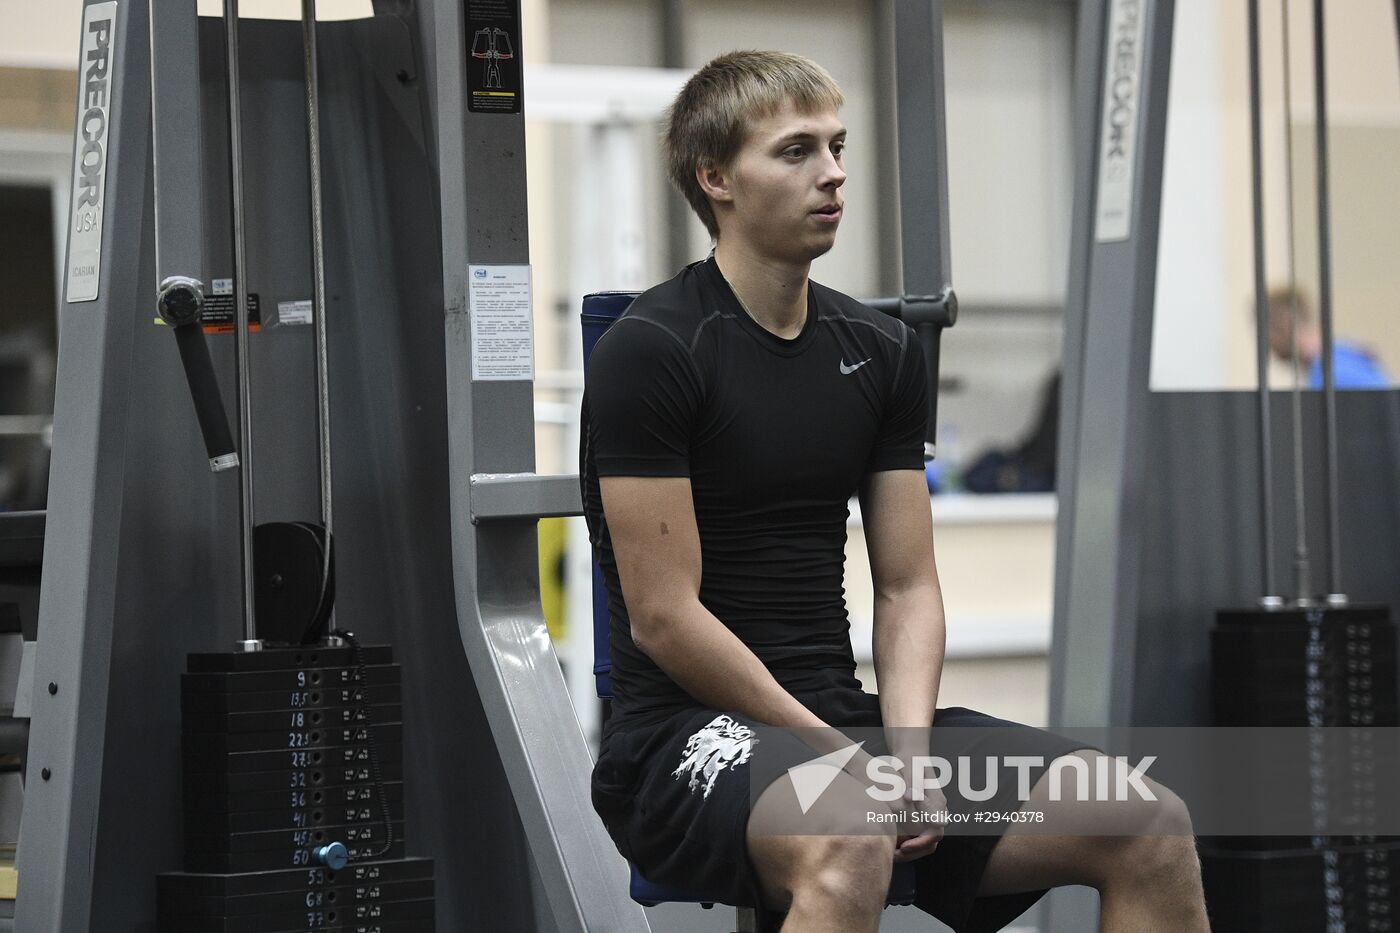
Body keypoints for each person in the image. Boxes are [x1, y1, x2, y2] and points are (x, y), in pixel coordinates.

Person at [582, 50, 1209, 932]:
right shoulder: (653, 350)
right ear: (715, 177)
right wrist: (844, 759)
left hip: (845, 723)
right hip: (682, 739)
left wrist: (907, 755)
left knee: (1147, 821)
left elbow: (908, 584)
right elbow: (663, 616)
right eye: (797, 151)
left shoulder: (877, 350)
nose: (834, 173)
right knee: (852, 830)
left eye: (837, 147)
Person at [1266, 286, 1390, 389]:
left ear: (1283, 324)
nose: (1267, 342)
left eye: (1266, 331)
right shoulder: (1344, 356)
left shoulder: (1330, 374)